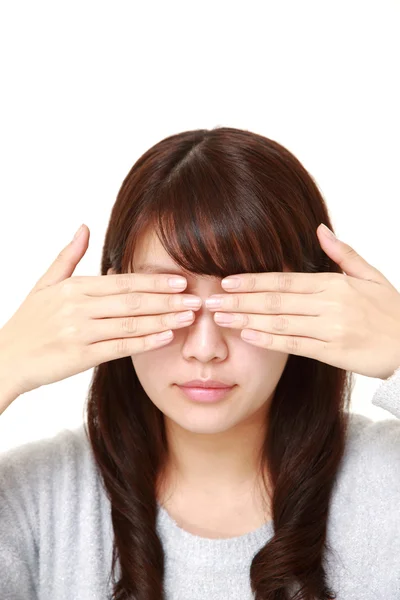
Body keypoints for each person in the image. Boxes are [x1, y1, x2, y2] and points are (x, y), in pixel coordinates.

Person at [0, 126, 399, 600]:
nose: (205, 348)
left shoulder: (386, 480)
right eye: (171, 301)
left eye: (243, 302)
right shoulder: (37, 497)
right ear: (111, 297)